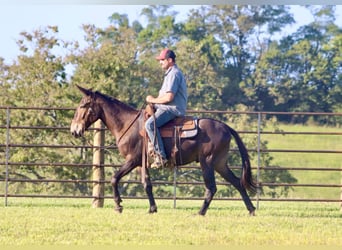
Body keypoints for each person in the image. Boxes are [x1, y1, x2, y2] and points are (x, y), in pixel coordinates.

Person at [145, 48, 188, 168]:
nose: (160, 62)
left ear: (170, 60)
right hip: (167, 108)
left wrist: (152, 100)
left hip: (171, 109)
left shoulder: (173, 74)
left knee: (149, 125)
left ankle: (160, 156)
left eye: (162, 60)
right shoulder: (170, 73)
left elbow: (169, 97)